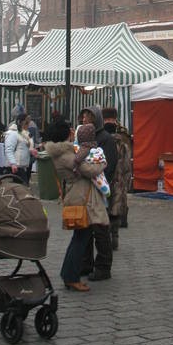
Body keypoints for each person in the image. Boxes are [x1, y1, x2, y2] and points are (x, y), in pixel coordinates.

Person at [45, 118, 109, 292]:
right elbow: (88, 170)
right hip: (81, 197)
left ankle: (69, 274)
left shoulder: (62, 152)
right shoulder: (65, 155)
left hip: (78, 195)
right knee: (81, 238)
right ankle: (71, 276)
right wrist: (102, 164)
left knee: (80, 237)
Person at [79, 104, 118, 281]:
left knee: (101, 230)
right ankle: (86, 264)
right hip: (86, 191)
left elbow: (108, 166)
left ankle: (103, 267)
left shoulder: (106, 139)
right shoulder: (86, 137)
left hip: (100, 191)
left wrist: (100, 184)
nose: (84, 119)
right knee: (86, 230)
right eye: (83, 116)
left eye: (88, 116)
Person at [101, 106, 132, 248]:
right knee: (115, 209)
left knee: (105, 208)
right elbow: (127, 165)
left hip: (103, 179)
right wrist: (126, 183)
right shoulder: (122, 138)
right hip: (118, 179)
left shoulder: (100, 137)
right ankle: (114, 235)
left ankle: (107, 237)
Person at [3, 113, 35, 185]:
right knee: (22, 187)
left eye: (29, 123)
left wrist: (33, 149)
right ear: (20, 122)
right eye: (26, 123)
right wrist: (13, 163)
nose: (28, 125)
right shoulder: (12, 133)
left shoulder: (24, 133)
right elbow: (8, 149)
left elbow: (24, 147)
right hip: (16, 166)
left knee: (22, 187)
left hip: (23, 166)